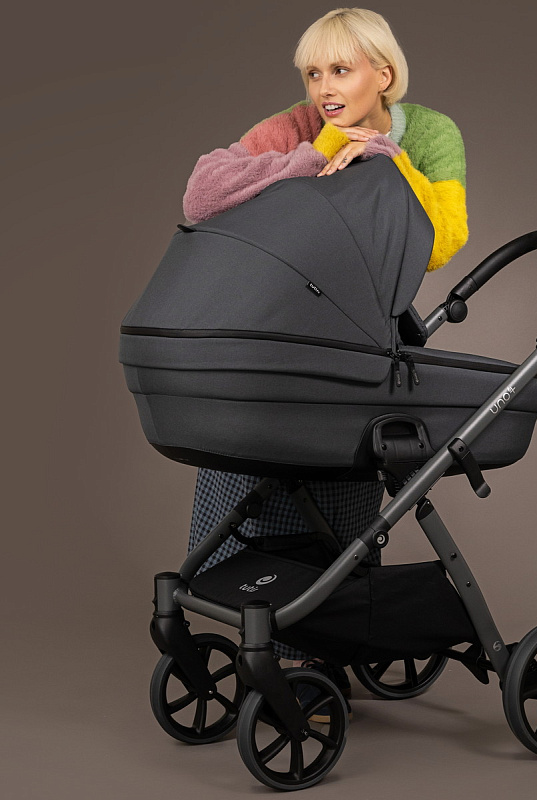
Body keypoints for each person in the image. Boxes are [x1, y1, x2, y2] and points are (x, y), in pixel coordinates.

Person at [182, 7, 469, 718]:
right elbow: (203, 194)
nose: (323, 88)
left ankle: (315, 638)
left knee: (336, 471)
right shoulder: (296, 125)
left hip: (362, 332)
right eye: (313, 73)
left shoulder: (431, 133)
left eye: (340, 70)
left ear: (384, 73)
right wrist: (314, 155)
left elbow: (443, 239)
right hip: (281, 327)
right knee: (244, 449)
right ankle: (252, 611)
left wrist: (388, 163)